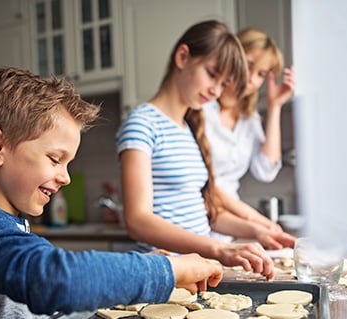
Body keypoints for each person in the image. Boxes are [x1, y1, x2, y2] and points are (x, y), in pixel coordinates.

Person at [0, 67, 223, 319]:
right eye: (55, 159)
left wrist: (137, 268)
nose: (66, 178)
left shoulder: (6, 221)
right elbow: (53, 279)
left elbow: (45, 302)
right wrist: (165, 269)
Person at [116, 20, 286, 278]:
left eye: (223, 83)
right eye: (212, 74)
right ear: (183, 57)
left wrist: (257, 232)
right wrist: (218, 249)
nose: (216, 90)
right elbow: (138, 222)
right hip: (165, 274)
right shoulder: (142, 123)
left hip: (197, 273)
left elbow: (207, 213)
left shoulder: (188, 129)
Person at [203, 28, 296, 245]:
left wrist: (275, 107)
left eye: (261, 74)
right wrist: (256, 222)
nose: (251, 79)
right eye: (248, 64)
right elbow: (204, 185)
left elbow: (266, 170)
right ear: (231, 56)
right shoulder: (201, 109)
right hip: (199, 221)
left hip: (227, 229)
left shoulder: (249, 118)